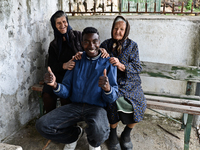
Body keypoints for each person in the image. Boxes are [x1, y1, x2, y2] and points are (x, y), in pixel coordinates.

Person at [36, 27, 118, 150]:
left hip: (96, 108)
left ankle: (93, 142)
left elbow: (113, 97)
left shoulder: (108, 63)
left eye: (94, 41)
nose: (91, 45)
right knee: (42, 125)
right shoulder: (76, 60)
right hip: (75, 106)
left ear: (99, 41)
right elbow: (66, 90)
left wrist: (107, 89)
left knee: (100, 132)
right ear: (81, 43)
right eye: (86, 41)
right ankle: (73, 135)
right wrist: (55, 85)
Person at [43, 10, 109, 113]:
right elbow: (51, 65)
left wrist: (101, 50)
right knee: (47, 94)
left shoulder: (78, 35)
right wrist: (64, 65)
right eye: (59, 23)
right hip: (60, 75)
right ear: (54, 26)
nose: (62, 25)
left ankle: (70, 124)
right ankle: (51, 118)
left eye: (64, 21)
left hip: (76, 74)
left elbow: (90, 46)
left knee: (66, 96)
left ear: (67, 22)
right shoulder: (54, 44)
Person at [100, 16, 147, 150]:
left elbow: (138, 67)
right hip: (113, 82)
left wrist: (121, 65)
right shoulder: (106, 44)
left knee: (141, 103)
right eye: (116, 28)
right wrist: (100, 52)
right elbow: (97, 60)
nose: (118, 32)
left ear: (126, 31)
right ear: (112, 29)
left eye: (122, 29)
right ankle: (113, 134)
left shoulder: (132, 46)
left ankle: (126, 134)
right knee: (111, 100)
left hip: (131, 83)